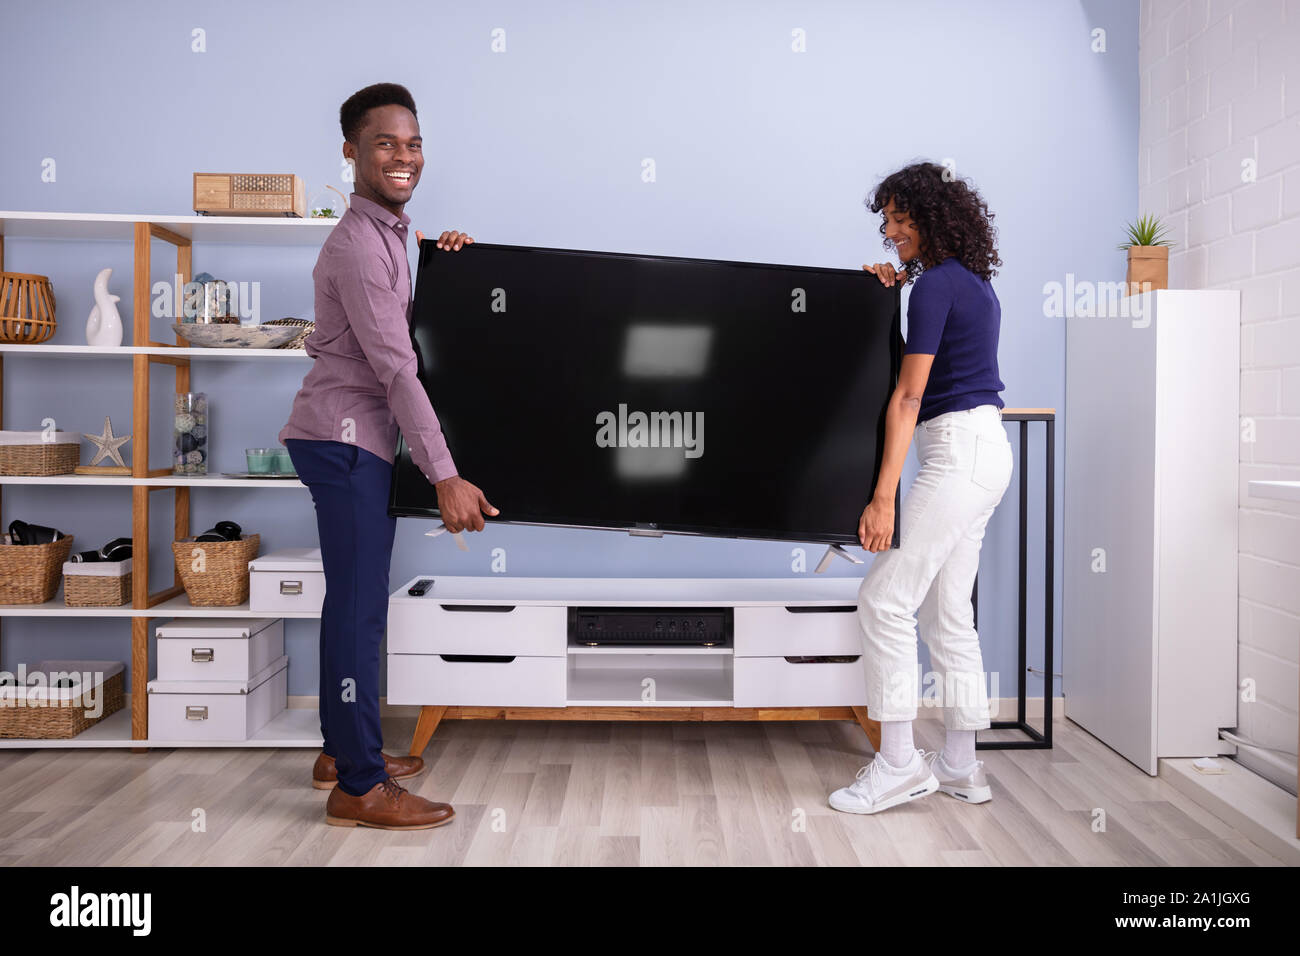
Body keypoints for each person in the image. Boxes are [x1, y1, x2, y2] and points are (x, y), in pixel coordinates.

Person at [279, 82, 498, 830]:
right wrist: (445, 474)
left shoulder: (391, 235)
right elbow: (397, 367)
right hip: (346, 443)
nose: (404, 156)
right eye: (385, 143)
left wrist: (449, 263)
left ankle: (343, 754)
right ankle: (360, 787)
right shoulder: (355, 246)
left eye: (413, 143)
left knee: (354, 608)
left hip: (358, 441)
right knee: (359, 615)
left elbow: (408, 326)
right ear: (350, 152)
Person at [828, 161, 1014, 815]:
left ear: (932, 218)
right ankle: (961, 766)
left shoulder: (935, 287)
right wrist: (893, 283)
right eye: (887, 219)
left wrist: (883, 499)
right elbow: (924, 363)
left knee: (884, 597)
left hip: (957, 451)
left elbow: (908, 397)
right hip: (984, 449)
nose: (890, 228)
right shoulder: (968, 284)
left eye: (902, 218)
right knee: (947, 612)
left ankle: (900, 762)